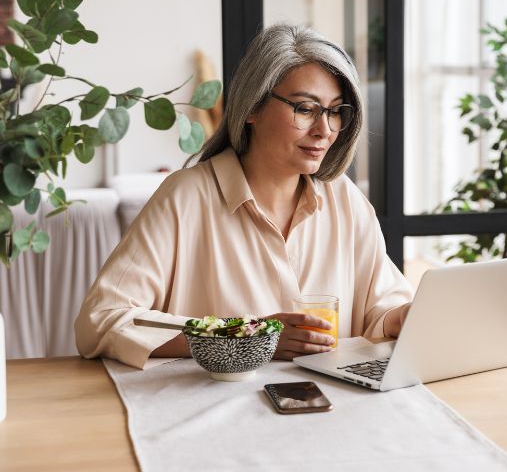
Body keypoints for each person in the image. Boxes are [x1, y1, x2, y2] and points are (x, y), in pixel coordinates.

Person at [75, 24, 413, 369]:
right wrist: (246, 338)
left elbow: (381, 309)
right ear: (252, 107)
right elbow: (101, 320)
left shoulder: (345, 200)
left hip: (331, 407)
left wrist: (401, 317)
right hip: (212, 412)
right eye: (305, 109)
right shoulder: (185, 197)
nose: (324, 130)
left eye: (335, 111)